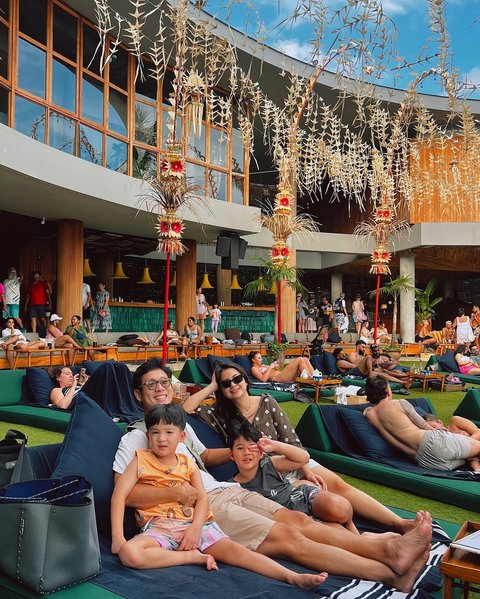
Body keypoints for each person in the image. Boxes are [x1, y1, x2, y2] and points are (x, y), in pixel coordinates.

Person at [113, 358, 432, 591]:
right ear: (139, 395)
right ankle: (390, 568)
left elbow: (206, 457)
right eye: (150, 385)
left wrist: (245, 450)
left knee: (301, 522)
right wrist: (178, 494)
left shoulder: (178, 428)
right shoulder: (136, 438)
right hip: (204, 508)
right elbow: (125, 495)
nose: (159, 388)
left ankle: (390, 553)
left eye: (164, 382)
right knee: (289, 539)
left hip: (224, 489)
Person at [183, 361, 418, 534]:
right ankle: (354, 531)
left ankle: (397, 522)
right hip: (266, 471)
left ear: (245, 380)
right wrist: (212, 384)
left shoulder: (267, 401)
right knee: (324, 498)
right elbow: (185, 409)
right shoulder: (220, 414)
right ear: (221, 389)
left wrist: (307, 470)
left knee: (336, 483)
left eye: (236, 379)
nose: (233, 385)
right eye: (226, 383)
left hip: (293, 458)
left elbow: (292, 440)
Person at [111, 404, 327, 588]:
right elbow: (119, 496)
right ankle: (190, 557)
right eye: (155, 432)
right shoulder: (141, 460)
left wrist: (196, 528)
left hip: (194, 525)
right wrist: (118, 538)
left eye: (169, 432)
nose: (161, 438)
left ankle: (292, 577)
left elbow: (203, 498)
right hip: (160, 527)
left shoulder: (187, 463)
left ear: (182, 436)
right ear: (147, 436)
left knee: (239, 553)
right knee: (130, 553)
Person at [228, 419, 358, 533]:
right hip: (288, 518)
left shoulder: (267, 463)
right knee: (335, 533)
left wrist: (274, 445)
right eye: (240, 448)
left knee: (340, 507)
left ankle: (351, 526)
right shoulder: (232, 487)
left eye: (252, 447)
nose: (246, 453)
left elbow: (303, 458)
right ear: (232, 455)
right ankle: (361, 539)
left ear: (261, 453)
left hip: (300, 496)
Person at [364, 375, 480, 471]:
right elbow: (425, 426)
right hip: (434, 443)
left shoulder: (369, 415)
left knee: (469, 455)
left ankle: (477, 470)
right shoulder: (399, 403)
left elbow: (368, 409)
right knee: (477, 444)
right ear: (387, 391)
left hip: (425, 461)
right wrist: (446, 433)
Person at [50, 362, 143, 421]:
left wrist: (84, 385)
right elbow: (63, 405)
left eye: (71, 373)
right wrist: (74, 385)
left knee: (122, 367)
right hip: (81, 400)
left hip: (87, 393)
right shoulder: (57, 390)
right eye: (67, 374)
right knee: (107, 367)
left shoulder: (78, 386)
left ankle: (133, 407)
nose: (71, 375)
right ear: (58, 377)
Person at [249, 350, 314, 383]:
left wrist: (276, 367)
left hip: (282, 374)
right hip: (277, 378)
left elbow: (276, 370)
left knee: (305, 359)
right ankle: (310, 380)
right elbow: (263, 379)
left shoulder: (263, 365)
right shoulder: (254, 369)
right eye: (259, 358)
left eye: (261, 358)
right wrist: (270, 367)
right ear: (253, 360)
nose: (261, 359)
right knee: (300, 359)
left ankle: (314, 376)